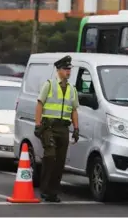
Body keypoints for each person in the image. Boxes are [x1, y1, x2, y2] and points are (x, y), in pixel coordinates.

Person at [34, 55, 79, 202]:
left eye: (69, 69)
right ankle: (45, 190)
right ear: (58, 70)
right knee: (50, 156)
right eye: (66, 69)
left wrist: (76, 128)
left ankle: (53, 192)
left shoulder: (72, 89)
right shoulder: (49, 84)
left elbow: (74, 110)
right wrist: (38, 124)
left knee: (60, 161)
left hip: (63, 128)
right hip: (49, 126)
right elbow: (40, 104)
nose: (68, 72)